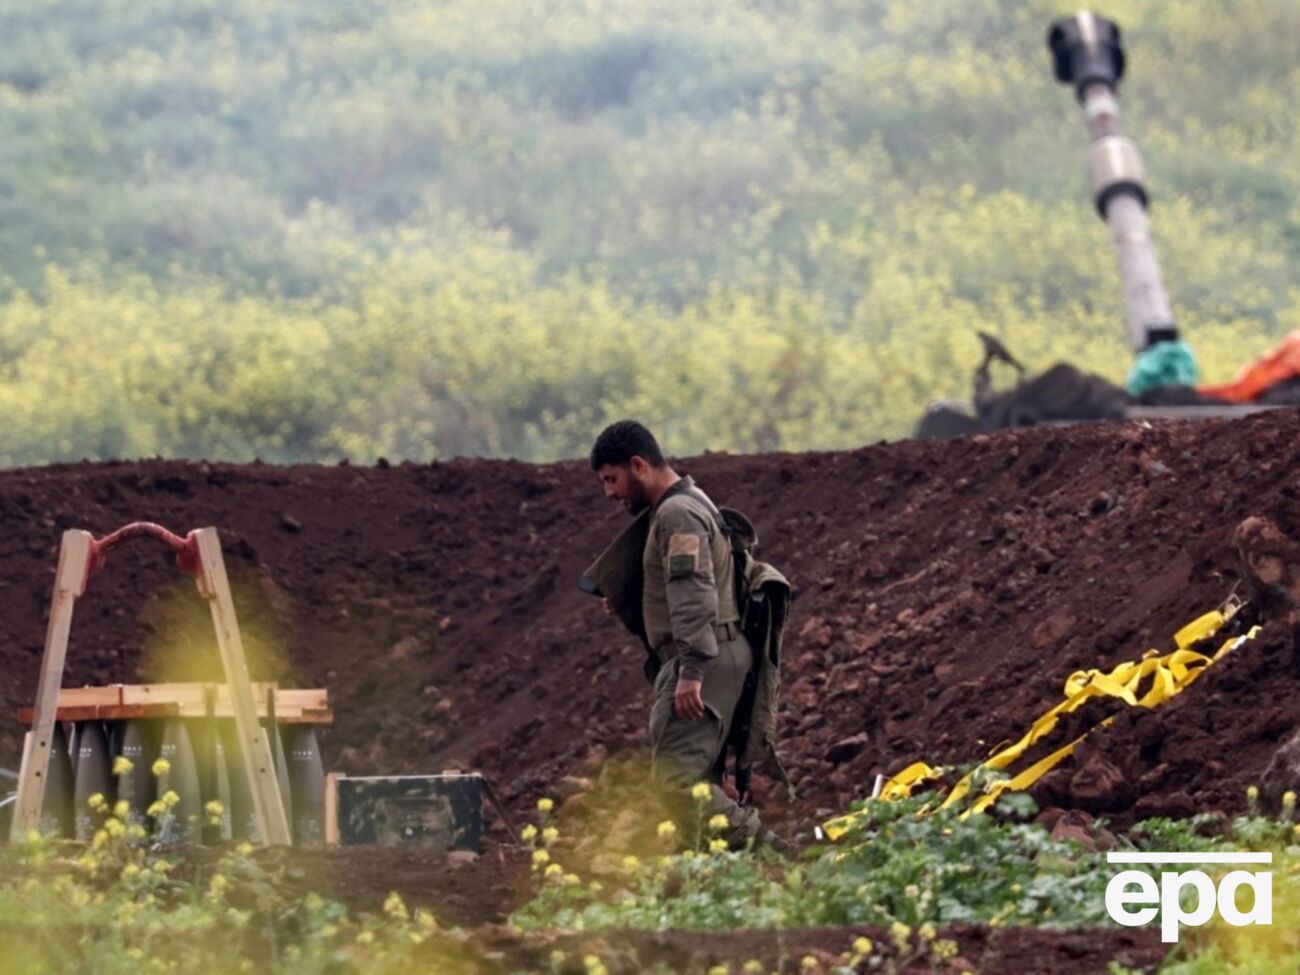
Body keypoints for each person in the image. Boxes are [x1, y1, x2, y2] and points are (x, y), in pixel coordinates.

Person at [589, 419, 790, 853]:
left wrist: (691, 671)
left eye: (612, 479)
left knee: (677, 781)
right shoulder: (691, 502)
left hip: (704, 657)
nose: (609, 492)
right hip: (718, 650)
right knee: (697, 783)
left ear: (639, 465)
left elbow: (693, 591)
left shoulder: (677, 513)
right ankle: (702, 889)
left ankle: (777, 859)